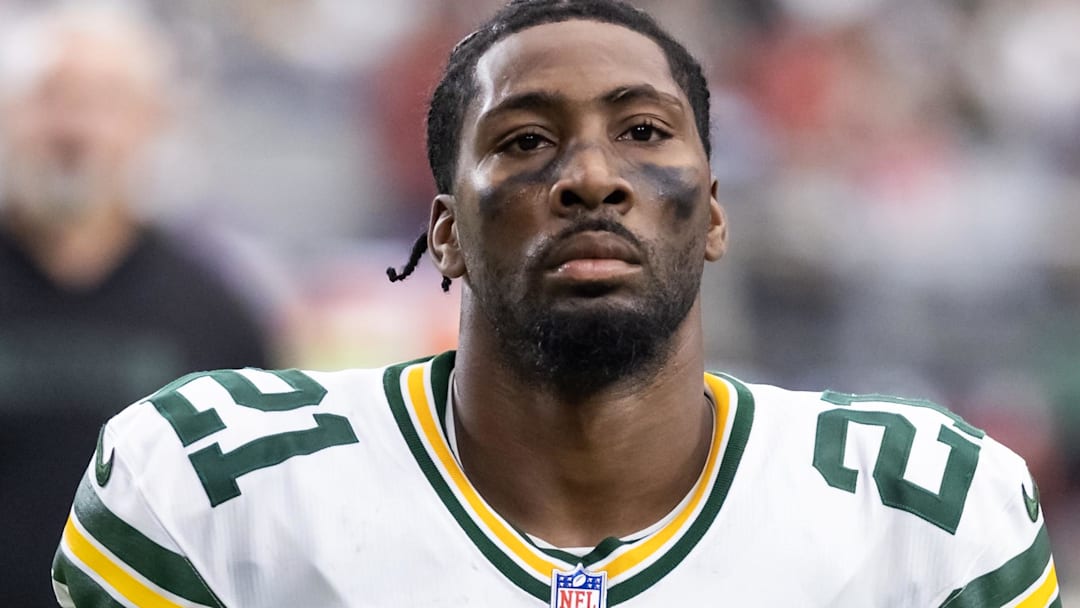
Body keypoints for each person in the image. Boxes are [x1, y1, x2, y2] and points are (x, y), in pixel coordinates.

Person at [50, 0, 1060, 606]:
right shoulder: (214, 490)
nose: (590, 176)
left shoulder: (925, 511)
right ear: (443, 231)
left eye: (645, 133)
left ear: (713, 213)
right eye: (523, 140)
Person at [0, 6, 271, 606]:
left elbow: (256, 521)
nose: (73, 129)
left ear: (153, 122)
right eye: (51, 98)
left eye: (103, 102)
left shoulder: (217, 314)